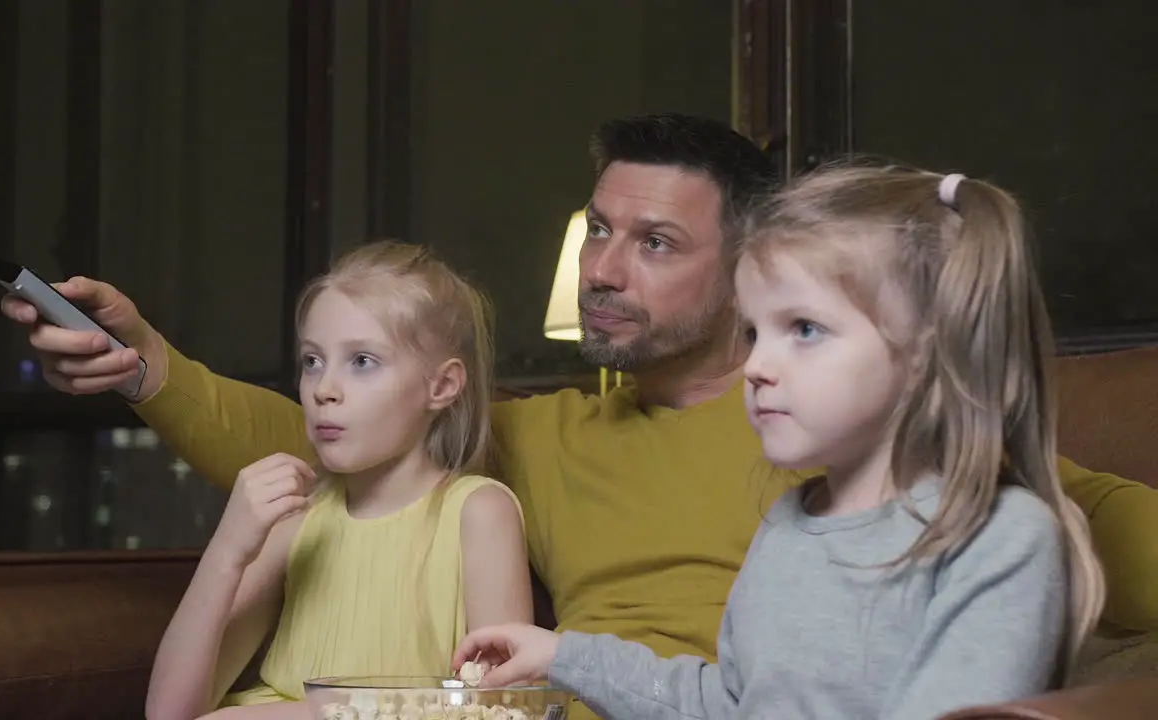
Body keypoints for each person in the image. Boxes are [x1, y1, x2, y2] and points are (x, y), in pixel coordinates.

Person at [2, 115, 1158, 718]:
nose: (602, 267)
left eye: (652, 243)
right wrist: (150, 367)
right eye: (596, 229)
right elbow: (329, 443)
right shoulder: (541, 439)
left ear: (747, 264)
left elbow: (1055, 532)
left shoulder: (906, 458)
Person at [449, 164, 1106, 720]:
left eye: (806, 330)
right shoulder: (793, 522)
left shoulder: (999, 537)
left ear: (930, 353)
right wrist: (563, 657)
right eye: (755, 333)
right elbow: (730, 702)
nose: (759, 366)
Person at [144, 242, 532, 720]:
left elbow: (506, 710)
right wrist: (227, 552)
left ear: (443, 386)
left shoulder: (479, 512)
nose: (324, 389)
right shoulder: (296, 520)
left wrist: (312, 714)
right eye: (313, 361)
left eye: (362, 361)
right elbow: (169, 712)